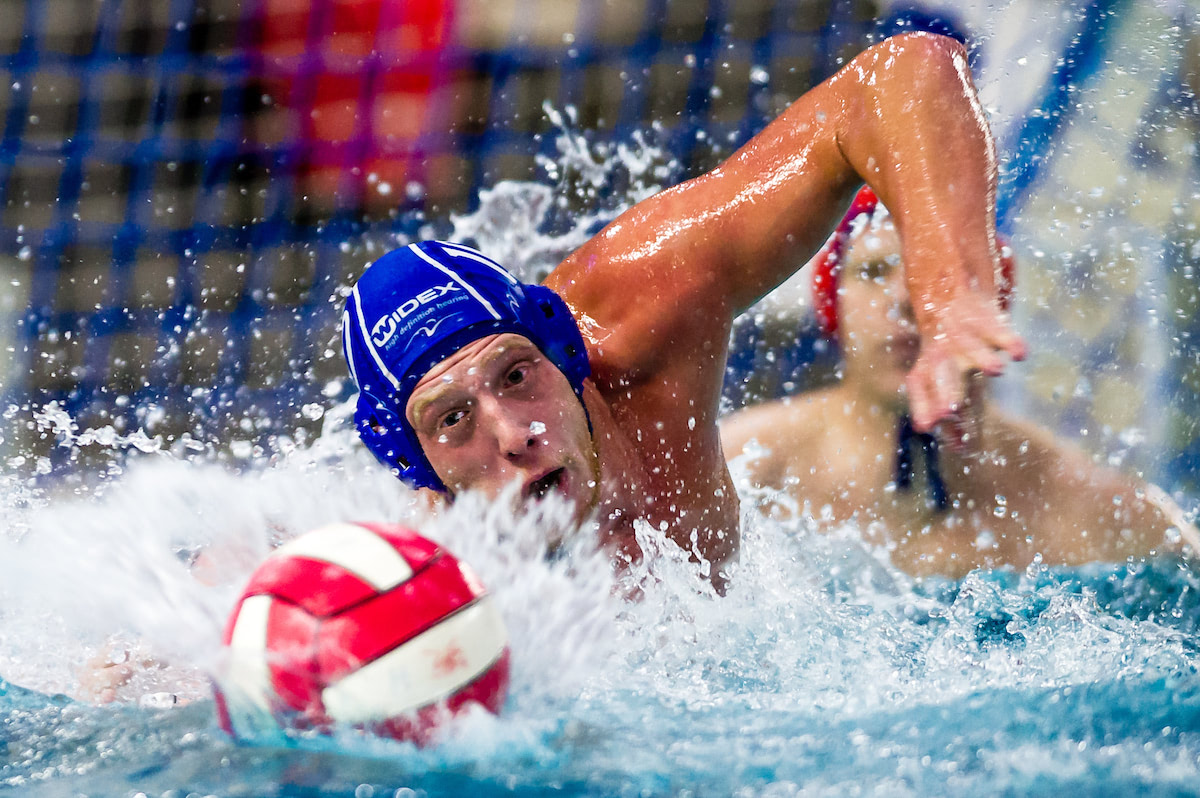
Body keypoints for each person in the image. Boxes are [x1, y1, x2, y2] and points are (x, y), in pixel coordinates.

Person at [340, 32, 1027, 591]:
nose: (512, 433)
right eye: (453, 419)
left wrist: (949, 297)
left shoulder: (644, 306)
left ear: (562, 350)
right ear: (422, 465)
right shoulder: (433, 579)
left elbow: (901, 74)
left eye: (516, 375)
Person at [720, 186, 1198, 578]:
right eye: (873, 271)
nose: (906, 300)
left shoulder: (1095, 513)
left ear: (988, 305)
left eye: (938, 274)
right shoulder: (744, 469)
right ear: (834, 308)